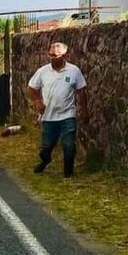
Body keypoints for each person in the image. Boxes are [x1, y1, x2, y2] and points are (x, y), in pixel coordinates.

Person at [26, 42, 87, 178]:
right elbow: (31, 89)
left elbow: (81, 90)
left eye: (56, 55)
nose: (53, 58)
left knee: (68, 146)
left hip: (67, 114)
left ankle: (68, 175)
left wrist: (84, 110)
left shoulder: (74, 71)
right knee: (45, 148)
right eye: (51, 55)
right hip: (48, 116)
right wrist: (37, 101)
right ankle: (46, 160)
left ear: (64, 55)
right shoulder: (43, 71)